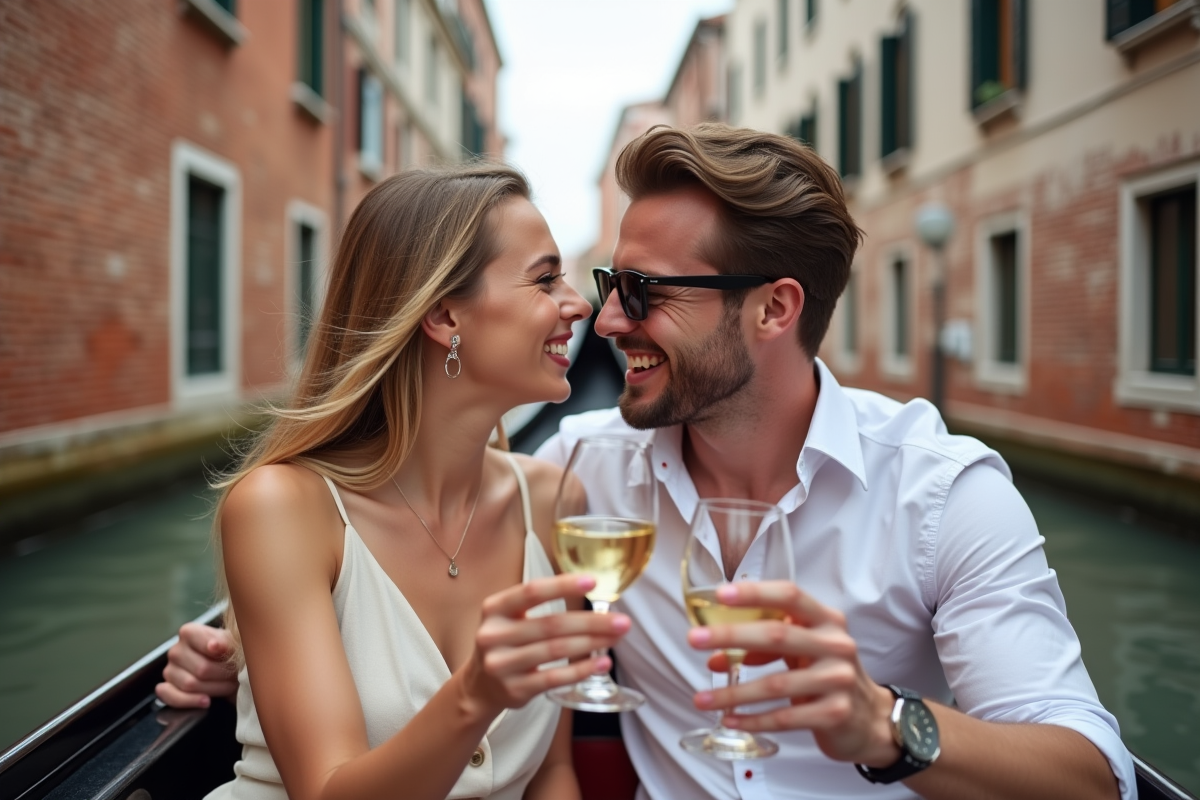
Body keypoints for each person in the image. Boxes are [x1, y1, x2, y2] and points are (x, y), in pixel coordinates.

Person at [160, 125, 1134, 800]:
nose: (604, 317)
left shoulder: (943, 491)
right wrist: (243, 643)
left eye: (643, 290)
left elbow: (1095, 776)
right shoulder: (591, 476)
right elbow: (361, 570)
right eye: (590, 282)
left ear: (774, 308)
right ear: (443, 317)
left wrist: (889, 724)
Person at [178, 163, 631, 800]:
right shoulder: (281, 508)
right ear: (446, 317)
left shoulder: (553, 499)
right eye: (545, 278)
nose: (580, 304)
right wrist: (475, 696)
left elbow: (550, 772)